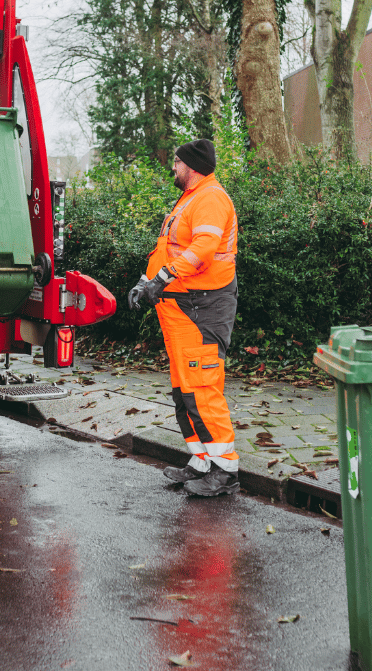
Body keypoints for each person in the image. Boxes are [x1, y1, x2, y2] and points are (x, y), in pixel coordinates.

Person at [128, 138, 240, 497]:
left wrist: (160, 279)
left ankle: (225, 469)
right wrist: (146, 281)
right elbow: (167, 249)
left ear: (190, 165)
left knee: (202, 388)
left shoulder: (210, 197)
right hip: (182, 308)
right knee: (185, 390)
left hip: (201, 308)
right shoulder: (190, 199)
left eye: (176, 162)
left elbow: (203, 249)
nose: (172, 168)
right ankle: (202, 460)